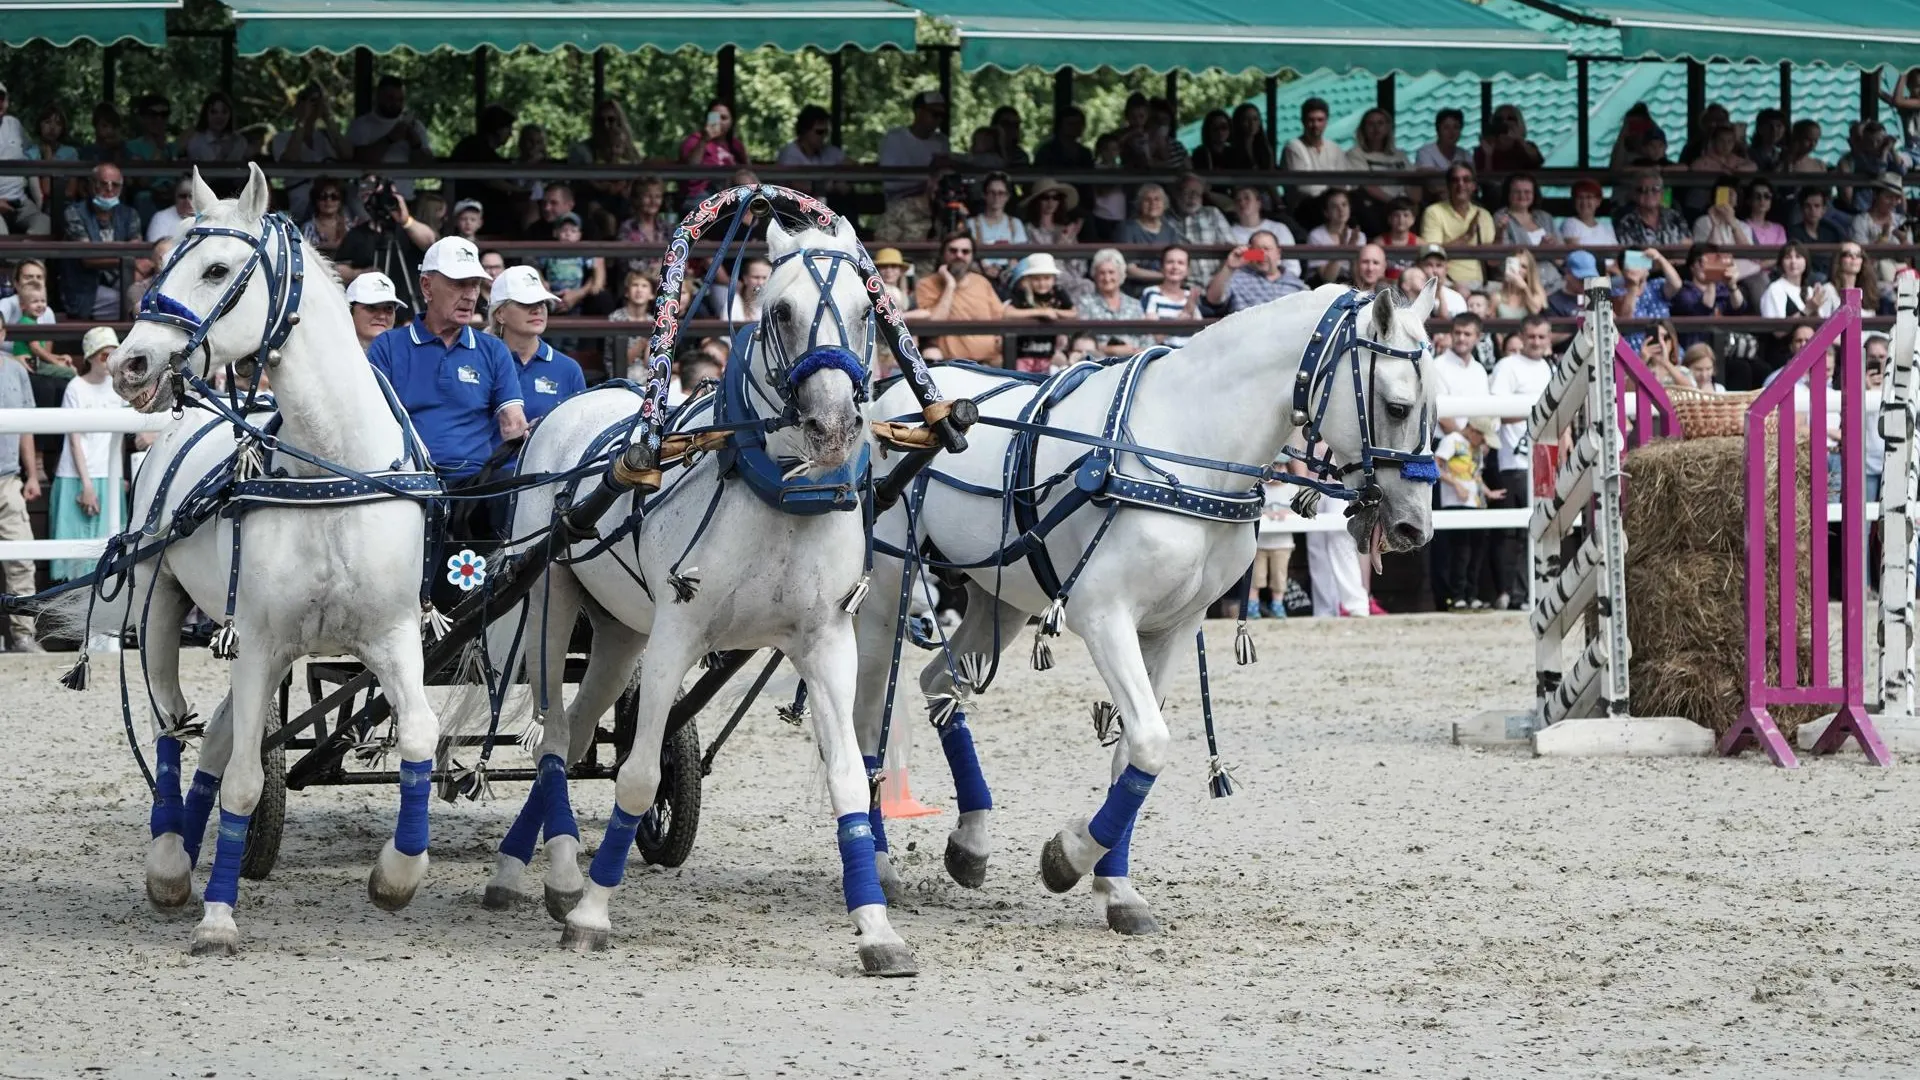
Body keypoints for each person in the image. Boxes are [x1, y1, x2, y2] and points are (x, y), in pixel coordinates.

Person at [365, 236, 527, 485]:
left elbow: (512, 423)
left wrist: (534, 435)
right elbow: (372, 423)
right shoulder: (388, 346)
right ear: (427, 287)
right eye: (459, 284)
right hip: (406, 478)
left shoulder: (493, 349)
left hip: (475, 482)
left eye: (475, 285)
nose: (471, 296)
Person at [48, 326, 129, 586]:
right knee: (74, 556)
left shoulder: (119, 389)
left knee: (109, 550)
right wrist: (87, 485)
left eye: (114, 355)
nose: (110, 361)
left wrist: (119, 477)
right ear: (91, 357)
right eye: (105, 356)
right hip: (77, 475)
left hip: (108, 474)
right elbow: (74, 441)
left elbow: (118, 441)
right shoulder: (76, 388)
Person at [1488, 316, 1555, 609]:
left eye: (1542, 337)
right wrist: (1536, 413)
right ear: (1523, 336)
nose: (1537, 342)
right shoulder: (1507, 367)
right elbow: (1494, 412)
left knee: (1542, 528)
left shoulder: (1551, 369)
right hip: (1512, 461)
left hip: (1544, 461)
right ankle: (1509, 594)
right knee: (1510, 533)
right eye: (1532, 337)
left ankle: (1530, 593)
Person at [913, 232, 1052, 364]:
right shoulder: (927, 284)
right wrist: (950, 285)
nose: (959, 255)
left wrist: (1041, 312)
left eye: (965, 251)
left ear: (972, 256)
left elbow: (1001, 314)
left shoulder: (981, 282)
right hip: (951, 366)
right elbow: (935, 322)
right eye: (953, 251)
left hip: (991, 363)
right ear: (943, 254)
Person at [489, 265, 586, 429]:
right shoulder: (482, 362)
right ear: (500, 314)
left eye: (541, 301)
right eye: (525, 302)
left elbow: (579, 432)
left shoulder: (568, 369)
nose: (537, 309)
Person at [334, 175, 436, 309]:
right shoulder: (356, 234)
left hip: (408, 310)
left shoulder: (409, 231)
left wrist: (406, 220)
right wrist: (359, 274)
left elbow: (430, 241)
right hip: (373, 311)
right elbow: (337, 270)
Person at [0, 329, 42, 651]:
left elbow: (27, 425)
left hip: (8, 479)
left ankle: (23, 635)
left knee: (22, 558)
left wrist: (32, 475)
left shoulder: (15, 370)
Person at [1433, 416, 1500, 611]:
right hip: (1456, 503)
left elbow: (1475, 474)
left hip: (1476, 503)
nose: (1484, 443)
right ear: (1473, 431)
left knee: (1476, 551)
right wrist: (1456, 485)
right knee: (1460, 551)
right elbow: (1436, 466)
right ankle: (1457, 596)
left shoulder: (1476, 449)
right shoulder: (1451, 440)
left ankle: (1472, 594)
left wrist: (1488, 492)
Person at [60, 162, 141, 319]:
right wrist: (127, 258)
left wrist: (130, 261)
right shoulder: (73, 213)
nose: (110, 189)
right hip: (84, 288)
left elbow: (136, 252)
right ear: (91, 185)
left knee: (150, 296)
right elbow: (89, 258)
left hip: (121, 280)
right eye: (104, 184)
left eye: (115, 185)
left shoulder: (130, 214)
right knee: (127, 303)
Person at [348, 76, 434, 199]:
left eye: (400, 99)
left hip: (405, 198)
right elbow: (358, 158)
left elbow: (426, 165)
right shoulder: (361, 125)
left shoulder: (415, 126)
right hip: (368, 200)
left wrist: (415, 143)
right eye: (390, 99)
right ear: (378, 97)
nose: (396, 104)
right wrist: (389, 139)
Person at [1418, 162, 1494, 287]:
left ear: (1474, 186)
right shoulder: (1433, 212)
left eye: (1466, 180)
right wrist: (1467, 236)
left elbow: (1492, 261)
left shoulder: (1483, 214)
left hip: (1480, 283)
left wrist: (1500, 235)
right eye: (1455, 180)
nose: (1461, 184)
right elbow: (1432, 256)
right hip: (1445, 283)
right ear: (1448, 185)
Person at [1205, 231, 1308, 314]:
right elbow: (1213, 299)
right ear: (1250, 253)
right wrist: (1229, 267)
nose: (1262, 254)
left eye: (1267, 249)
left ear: (1278, 253)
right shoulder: (1236, 277)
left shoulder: (1294, 282)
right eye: (1257, 250)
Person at [879, 91, 949, 207]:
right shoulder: (895, 138)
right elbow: (890, 184)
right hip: (901, 204)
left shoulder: (942, 142)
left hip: (933, 205)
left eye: (942, 115)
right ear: (918, 112)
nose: (939, 120)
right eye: (934, 114)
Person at [1671, 242, 1747, 349]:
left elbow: (1739, 308)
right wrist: (1712, 278)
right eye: (1701, 262)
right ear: (1692, 267)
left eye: (1713, 262)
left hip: (1724, 348)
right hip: (1696, 350)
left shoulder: (1722, 288)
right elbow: (1705, 308)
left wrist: (1732, 285)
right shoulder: (1684, 292)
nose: (1706, 266)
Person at [1006, 253, 1073, 373]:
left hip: (1050, 353)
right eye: (1037, 279)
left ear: (1053, 279)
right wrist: (1040, 312)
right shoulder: (1022, 294)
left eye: (1046, 278)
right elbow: (1007, 313)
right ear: (1029, 279)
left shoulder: (1058, 292)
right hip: (1023, 354)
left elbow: (1073, 313)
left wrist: (1054, 312)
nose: (1042, 283)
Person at [1346, 106, 1409, 232]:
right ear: (1363, 128)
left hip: (1402, 205)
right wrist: (1393, 203)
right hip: (1375, 206)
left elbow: (1412, 181)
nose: (1376, 128)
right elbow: (1366, 184)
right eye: (1371, 124)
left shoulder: (1400, 155)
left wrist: (1411, 204)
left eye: (1380, 123)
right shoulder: (1355, 154)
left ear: (1388, 127)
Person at [0, 82, 51, 237]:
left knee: (44, 222)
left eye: (1, 98)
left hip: (20, 202)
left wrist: (47, 154)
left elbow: (31, 152)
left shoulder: (14, 124)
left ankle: (28, 260)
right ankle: (13, 260)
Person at [1075, 248, 1148, 357]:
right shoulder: (1085, 303)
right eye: (1102, 273)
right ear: (1095, 276)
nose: (1107, 278)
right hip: (1099, 364)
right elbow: (1080, 343)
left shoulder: (1134, 305)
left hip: (1133, 361)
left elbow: (1147, 340)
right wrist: (1111, 350)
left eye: (1111, 272)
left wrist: (1134, 351)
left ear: (1120, 275)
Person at [1280, 97, 1346, 211]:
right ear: (1303, 121)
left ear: (1326, 121)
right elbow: (1305, 188)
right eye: (1311, 120)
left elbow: (1344, 183)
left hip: (1332, 206)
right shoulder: (1294, 147)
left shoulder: (1334, 148)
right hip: (1304, 209)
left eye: (1320, 120)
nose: (1315, 124)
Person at [1612, 245, 1682, 350]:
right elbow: (1625, 323)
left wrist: (1660, 258)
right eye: (1633, 264)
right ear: (1623, 270)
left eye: (1641, 263)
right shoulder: (1616, 293)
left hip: (1664, 345)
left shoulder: (1656, 285)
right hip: (1634, 350)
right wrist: (1633, 286)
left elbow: (1676, 285)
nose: (1638, 268)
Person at [22, 103, 79, 229]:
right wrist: (47, 159)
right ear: (40, 124)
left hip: (67, 204)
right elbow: (46, 192)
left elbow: (71, 191)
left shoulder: (70, 153)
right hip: (40, 206)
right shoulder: (31, 153)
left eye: (58, 123)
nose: (52, 127)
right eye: (48, 122)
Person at [538, 212, 605, 318]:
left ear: (579, 235)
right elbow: (536, 267)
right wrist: (542, 283)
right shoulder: (550, 253)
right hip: (552, 297)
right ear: (555, 233)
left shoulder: (582, 254)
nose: (568, 234)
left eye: (573, 231)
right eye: (564, 230)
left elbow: (595, 271)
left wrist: (580, 292)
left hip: (576, 299)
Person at [1169, 172, 1232, 286]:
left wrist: (1219, 279)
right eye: (1187, 192)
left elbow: (1233, 248)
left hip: (1217, 283)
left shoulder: (1212, 213)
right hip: (1181, 285)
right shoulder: (1165, 218)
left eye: (1197, 193)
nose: (1192, 197)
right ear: (1177, 194)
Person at [1226, 184, 1301, 278]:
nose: (1242, 202)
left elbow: (1293, 266)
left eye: (1247, 198)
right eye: (1238, 200)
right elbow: (1232, 263)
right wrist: (1269, 254)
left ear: (1258, 203)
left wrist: (1248, 254)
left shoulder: (1279, 228)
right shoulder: (1228, 232)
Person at [966, 171, 1029, 284]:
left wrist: (1008, 271)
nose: (996, 197)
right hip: (979, 277)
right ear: (984, 195)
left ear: (1007, 197)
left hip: (1009, 278)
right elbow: (966, 256)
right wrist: (982, 270)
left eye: (1001, 193)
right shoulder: (971, 223)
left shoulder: (1015, 223)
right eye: (992, 193)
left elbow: (1021, 256)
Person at [1247, 473, 1294, 619]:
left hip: (1282, 543)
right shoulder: (1258, 488)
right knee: (1256, 576)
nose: (1277, 472)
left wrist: (1287, 513)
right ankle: (1252, 605)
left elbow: (1301, 510)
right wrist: (1266, 513)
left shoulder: (1292, 489)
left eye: (1281, 467)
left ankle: (1277, 605)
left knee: (1279, 576)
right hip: (1259, 543)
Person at [1117, 183, 1183, 286]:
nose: (1153, 203)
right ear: (1139, 204)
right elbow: (1130, 269)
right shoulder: (1127, 229)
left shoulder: (1170, 231)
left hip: (1166, 286)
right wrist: (1165, 276)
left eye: (1157, 199)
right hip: (1136, 288)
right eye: (1147, 200)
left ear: (1164, 204)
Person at [1436, 312, 1491, 435]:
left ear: (1478, 337)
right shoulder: (1437, 366)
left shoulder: (1479, 370)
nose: (1461, 338)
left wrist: (1483, 440)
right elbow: (1442, 416)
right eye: (1457, 333)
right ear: (1451, 334)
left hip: (1476, 445)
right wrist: (1467, 440)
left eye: (1467, 334)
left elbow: (1485, 410)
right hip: (1444, 446)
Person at [1612, 170, 1690, 248]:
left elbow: (1687, 246)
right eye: (1642, 190)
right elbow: (1630, 254)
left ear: (1662, 193)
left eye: (1655, 189)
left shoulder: (1675, 217)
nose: (1649, 193)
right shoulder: (1626, 223)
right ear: (1634, 195)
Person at [1140, 245, 1200, 347]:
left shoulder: (1189, 296)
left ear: (1187, 270)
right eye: (1170, 262)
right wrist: (1181, 319)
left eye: (1180, 263)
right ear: (1162, 267)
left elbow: (1199, 334)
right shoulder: (1151, 293)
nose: (1175, 267)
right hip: (1162, 356)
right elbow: (1154, 338)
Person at [1760, 243, 1837, 321]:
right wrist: (1808, 309)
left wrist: (1815, 309)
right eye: (1788, 257)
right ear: (1781, 263)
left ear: (1806, 262)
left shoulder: (1809, 290)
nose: (1793, 261)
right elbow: (1777, 330)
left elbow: (1821, 327)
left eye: (1798, 257)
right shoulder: (1775, 289)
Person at [1305, 189, 1364, 281]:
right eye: (1334, 206)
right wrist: (1342, 248)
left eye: (1344, 204)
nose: (1341, 210)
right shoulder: (1316, 236)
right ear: (1326, 212)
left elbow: (1359, 280)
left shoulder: (1358, 236)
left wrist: (1352, 254)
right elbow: (1327, 279)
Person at [607, 270, 656, 378]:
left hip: (646, 375)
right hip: (620, 375)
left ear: (652, 295)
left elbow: (649, 363)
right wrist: (642, 343)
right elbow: (621, 362)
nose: (639, 290)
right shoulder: (616, 318)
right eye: (635, 285)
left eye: (644, 286)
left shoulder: (653, 321)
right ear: (627, 292)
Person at [346, 271, 408, 352]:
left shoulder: (406, 355)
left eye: (389, 308)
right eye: (371, 307)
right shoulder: (332, 355)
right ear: (350, 310)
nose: (382, 316)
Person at [1492, 173, 1557, 249]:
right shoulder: (1500, 217)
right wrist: (1540, 250)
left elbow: (1562, 251)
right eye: (1516, 192)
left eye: (1527, 192)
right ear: (1508, 193)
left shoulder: (1545, 217)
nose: (1522, 196)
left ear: (1534, 194)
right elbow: (1504, 253)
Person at [182, 92, 248, 164]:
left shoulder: (240, 142)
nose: (219, 117)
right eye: (213, 112)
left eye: (224, 112)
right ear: (205, 114)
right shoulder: (196, 141)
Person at [777, 104, 847, 170]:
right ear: (805, 131)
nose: (824, 136)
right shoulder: (790, 155)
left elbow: (855, 169)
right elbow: (796, 182)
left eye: (826, 132)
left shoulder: (829, 152)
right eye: (819, 132)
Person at [1852, 172, 1911, 248]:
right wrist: (1884, 237)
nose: (1893, 203)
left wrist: (1903, 240)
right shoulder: (1860, 221)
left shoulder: (1901, 221)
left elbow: (1910, 258)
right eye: (1888, 197)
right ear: (1876, 194)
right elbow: (1862, 257)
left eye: (1897, 198)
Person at [1412, 245, 1471, 320]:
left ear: (1446, 269)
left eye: (1439, 265)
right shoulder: (1408, 296)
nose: (1435, 270)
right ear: (1418, 267)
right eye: (1429, 265)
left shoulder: (1456, 299)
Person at [1033, 105, 1093, 172]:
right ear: (1060, 126)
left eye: (1079, 124)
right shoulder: (1046, 152)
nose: (1076, 128)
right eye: (1071, 124)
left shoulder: (1085, 153)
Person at [1558, 178, 1616, 247]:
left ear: (1598, 201)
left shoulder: (1607, 227)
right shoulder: (1570, 223)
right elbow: (1576, 252)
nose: (1584, 202)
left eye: (1589, 197)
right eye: (1580, 197)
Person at [1493, 249, 1546, 319]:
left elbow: (1535, 311)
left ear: (1529, 272)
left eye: (1523, 267)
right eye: (1516, 264)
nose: (1519, 270)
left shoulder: (1536, 293)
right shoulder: (1497, 296)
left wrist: (1525, 288)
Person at [1546, 250, 1599, 318]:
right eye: (1582, 279)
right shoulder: (1553, 303)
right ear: (1567, 273)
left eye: (1590, 278)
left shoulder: (1599, 299)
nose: (1586, 282)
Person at [144, 174, 195, 243]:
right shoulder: (160, 217)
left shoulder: (208, 217)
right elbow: (158, 249)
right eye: (182, 196)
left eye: (191, 196)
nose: (187, 201)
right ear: (175, 197)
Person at [1228, 102, 1276, 171]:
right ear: (1238, 122)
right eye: (1246, 119)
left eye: (1255, 119)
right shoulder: (1230, 151)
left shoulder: (1266, 149)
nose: (1252, 123)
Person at [1189, 109, 1235, 173]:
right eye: (1215, 128)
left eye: (1224, 127)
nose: (1220, 132)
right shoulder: (1201, 153)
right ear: (1208, 131)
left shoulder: (1233, 152)